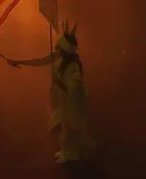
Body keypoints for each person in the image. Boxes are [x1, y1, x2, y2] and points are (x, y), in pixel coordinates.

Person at [7, 20, 95, 164]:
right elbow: (40, 61)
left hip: (70, 98)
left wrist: (61, 85)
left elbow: (74, 85)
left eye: (59, 46)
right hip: (59, 96)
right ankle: (65, 149)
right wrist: (18, 61)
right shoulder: (58, 56)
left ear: (65, 48)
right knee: (60, 124)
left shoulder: (72, 65)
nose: (56, 46)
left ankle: (71, 153)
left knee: (70, 125)